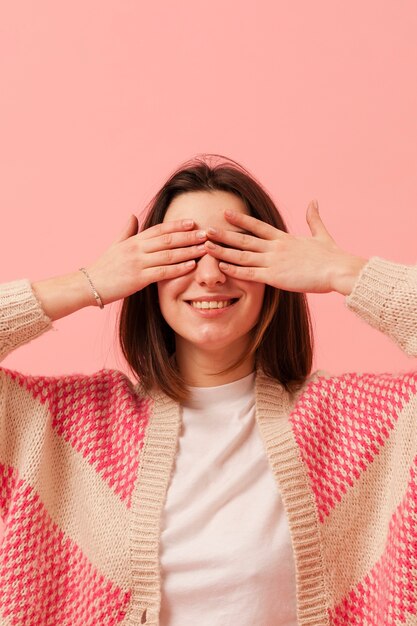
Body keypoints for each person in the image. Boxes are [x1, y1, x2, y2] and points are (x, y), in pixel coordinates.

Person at [0, 154, 416, 626]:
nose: (211, 274)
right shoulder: (67, 428)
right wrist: (87, 283)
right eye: (182, 253)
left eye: (236, 250)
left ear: (275, 270)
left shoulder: (359, 423)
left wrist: (345, 273)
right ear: (146, 273)